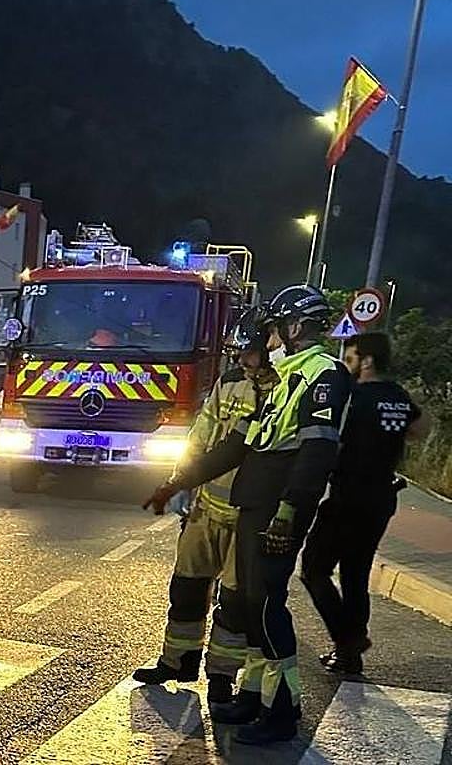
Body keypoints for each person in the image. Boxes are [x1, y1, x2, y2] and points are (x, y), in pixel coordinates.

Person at [143, 284, 350, 745]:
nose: (268, 341)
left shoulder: (323, 376)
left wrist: (288, 512)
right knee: (257, 608)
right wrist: (178, 481)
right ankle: (257, 698)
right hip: (255, 505)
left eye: (275, 331)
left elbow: (315, 455)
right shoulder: (287, 378)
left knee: (265, 609)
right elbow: (239, 444)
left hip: (275, 510)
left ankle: (283, 709)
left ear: (295, 328)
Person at [134, 309, 279, 706]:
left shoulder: (281, 390)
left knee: (233, 601)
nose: (240, 360)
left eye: (247, 352)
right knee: (186, 586)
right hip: (206, 507)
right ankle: (177, 661)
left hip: (246, 516)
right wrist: (183, 480)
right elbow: (201, 435)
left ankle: (221, 675)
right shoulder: (230, 382)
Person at [300, 332, 427, 675]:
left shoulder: (354, 397)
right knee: (356, 573)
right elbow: (419, 430)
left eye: (352, 356)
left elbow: (334, 442)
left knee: (314, 568)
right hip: (382, 497)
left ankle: (348, 638)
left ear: (367, 360)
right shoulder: (399, 396)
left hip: (348, 496)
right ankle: (349, 655)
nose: (348, 363)